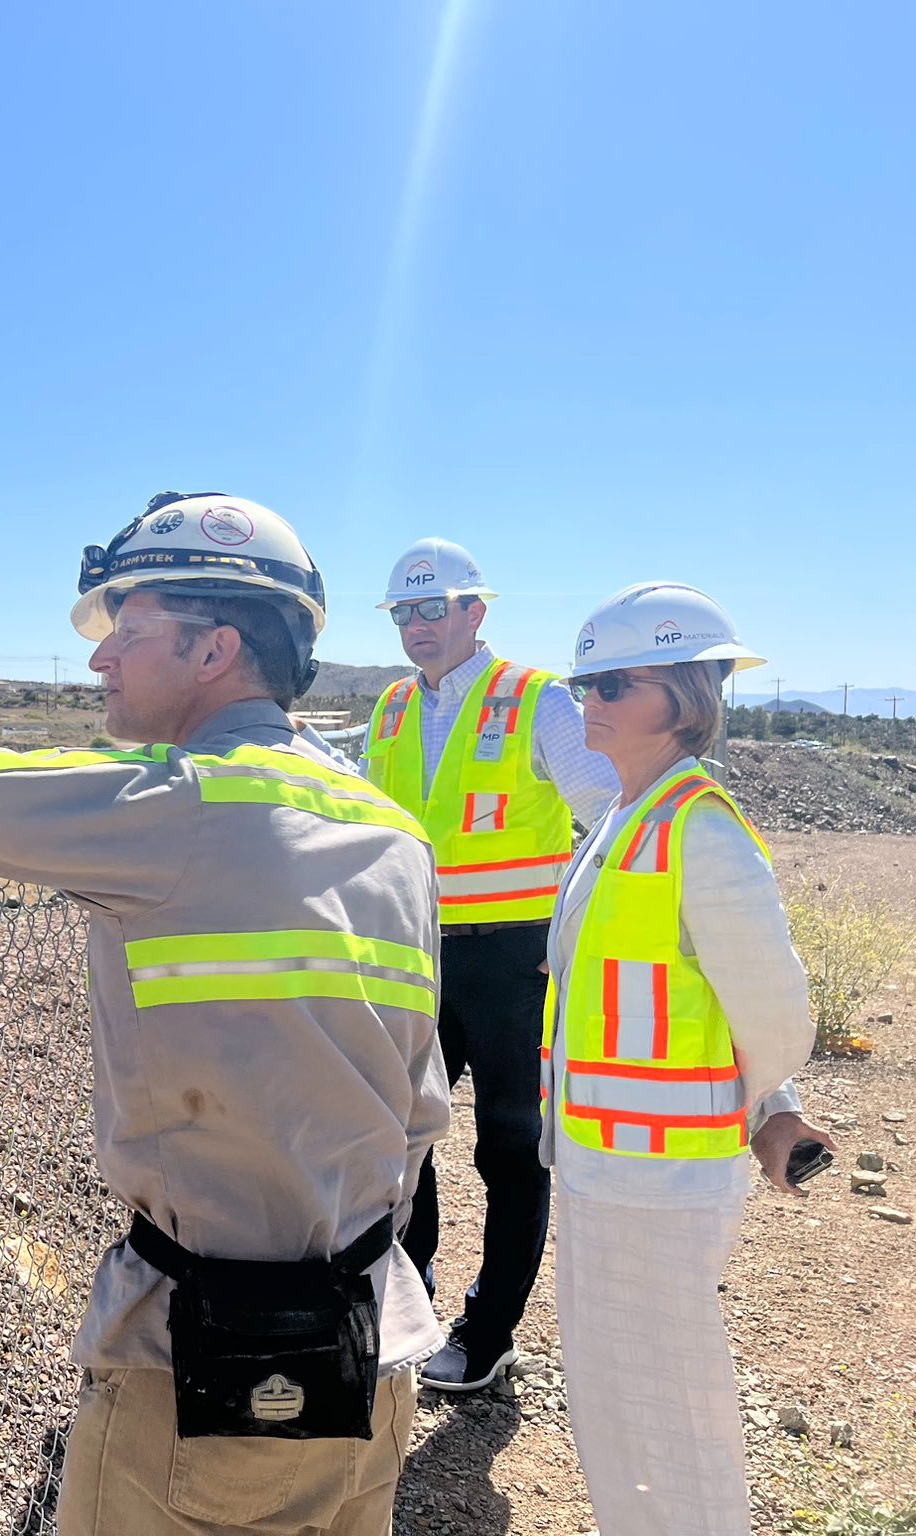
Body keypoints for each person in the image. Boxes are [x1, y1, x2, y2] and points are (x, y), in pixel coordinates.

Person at [0, 492, 449, 1535]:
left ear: (214, 650)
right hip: (375, 1341)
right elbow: (419, 1108)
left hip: (213, 1377)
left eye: (126, 630)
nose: (97, 661)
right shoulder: (392, 834)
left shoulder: (183, 806)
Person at [544, 581, 832, 1534]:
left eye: (615, 683)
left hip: (659, 1174)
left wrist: (756, 1102)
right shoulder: (626, 819)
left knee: (666, 1399)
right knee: (613, 1385)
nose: (591, 700)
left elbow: (774, 1013)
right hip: (602, 1162)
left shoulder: (700, 832)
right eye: (586, 680)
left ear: (685, 696)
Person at [359, 538, 620, 1391]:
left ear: (477, 611)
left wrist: (581, 938)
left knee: (510, 1149)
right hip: (415, 952)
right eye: (403, 612)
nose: (415, 626)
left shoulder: (539, 701)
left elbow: (611, 819)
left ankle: (489, 1330)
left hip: (515, 963)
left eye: (431, 608)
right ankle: (411, 1305)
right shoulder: (392, 708)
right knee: (401, 1139)